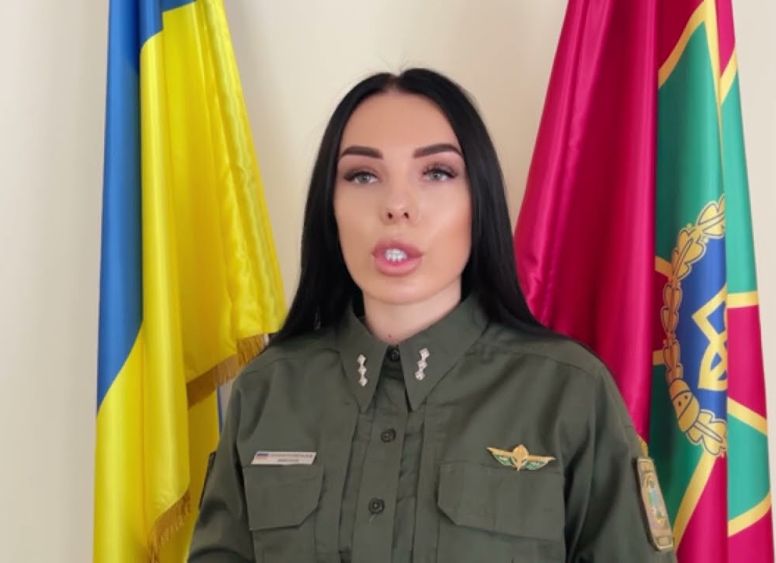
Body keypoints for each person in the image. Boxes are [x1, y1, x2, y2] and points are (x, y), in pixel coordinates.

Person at [189, 68, 676, 563]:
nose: (397, 205)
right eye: (363, 175)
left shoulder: (568, 393)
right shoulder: (266, 392)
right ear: (329, 207)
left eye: (437, 172)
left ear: (479, 200)